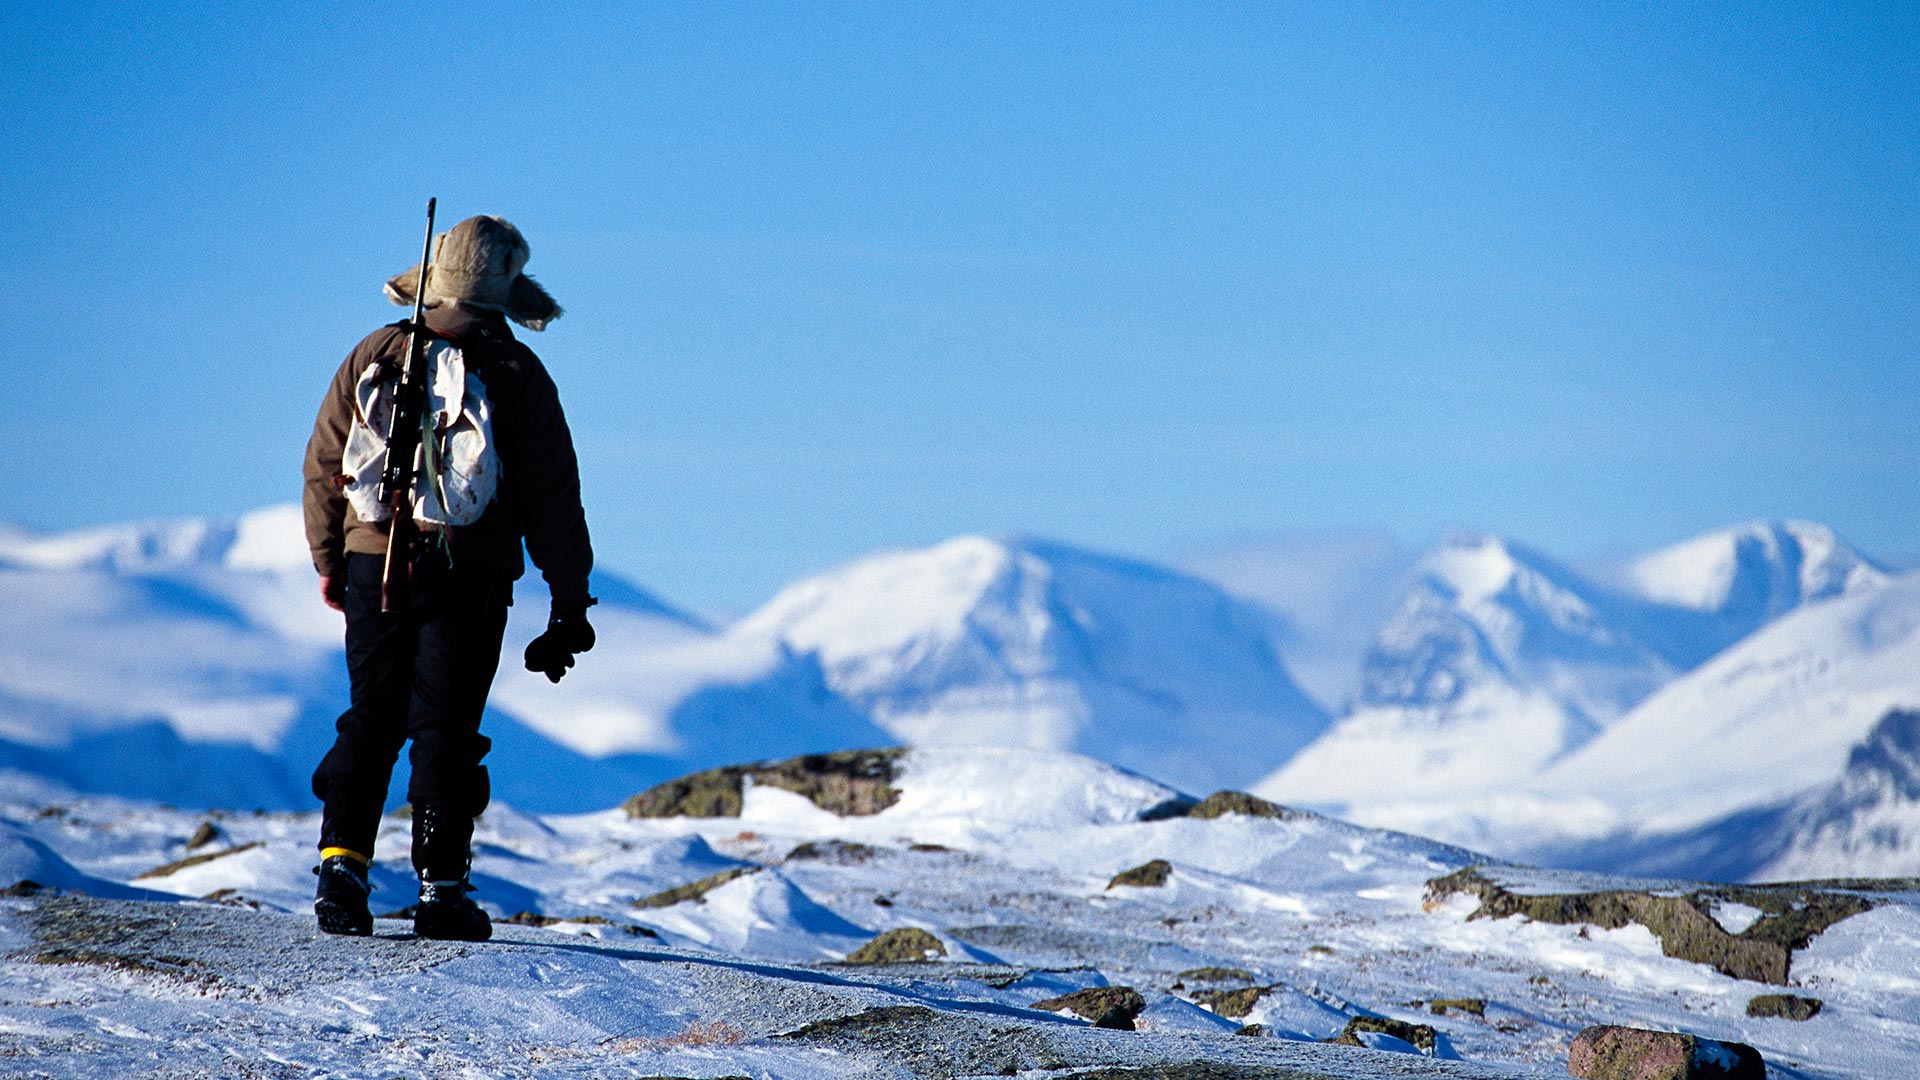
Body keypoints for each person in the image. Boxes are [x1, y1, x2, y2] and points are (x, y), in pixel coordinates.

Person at [301, 214, 596, 940]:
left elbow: (324, 464)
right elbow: (551, 495)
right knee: (446, 728)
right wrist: (568, 598)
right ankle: (442, 889)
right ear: (504, 290)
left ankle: (342, 872)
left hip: (375, 562)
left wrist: (333, 564)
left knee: (370, 718)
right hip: (472, 568)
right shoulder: (518, 371)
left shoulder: (377, 349)